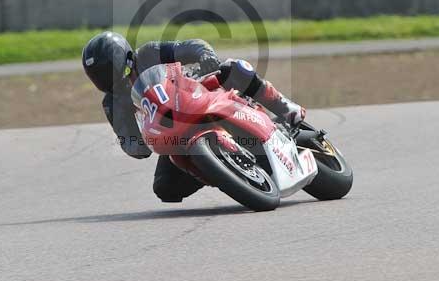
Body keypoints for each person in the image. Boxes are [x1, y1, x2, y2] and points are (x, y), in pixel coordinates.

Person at [82, 31, 306, 203]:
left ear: (124, 59)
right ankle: (221, 171)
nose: (105, 79)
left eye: (107, 70)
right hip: (172, 133)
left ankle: (284, 106)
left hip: (197, 94)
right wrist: (135, 142)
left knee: (232, 68)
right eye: (98, 75)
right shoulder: (113, 104)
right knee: (165, 188)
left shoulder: (149, 53)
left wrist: (205, 56)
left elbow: (190, 47)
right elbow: (132, 144)